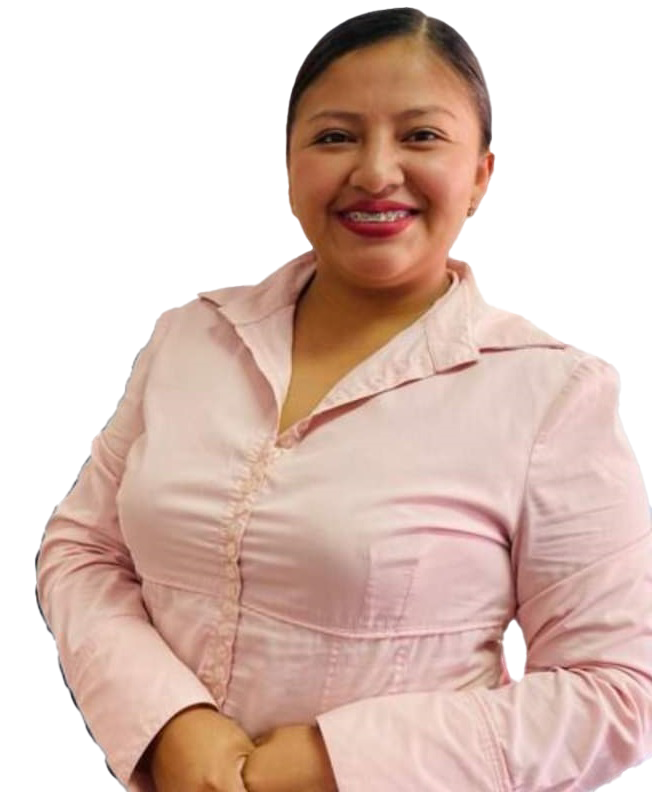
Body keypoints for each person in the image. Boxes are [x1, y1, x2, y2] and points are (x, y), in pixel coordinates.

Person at [35, 7, 652, 792]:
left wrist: (333, 761)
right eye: (335, 137)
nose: (375, 172)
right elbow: (82, 549)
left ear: (480, 176)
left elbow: (619, 690)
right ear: (289, 167)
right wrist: (168, 723)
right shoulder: (191, 338)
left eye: (421, 136)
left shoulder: (549, 394)